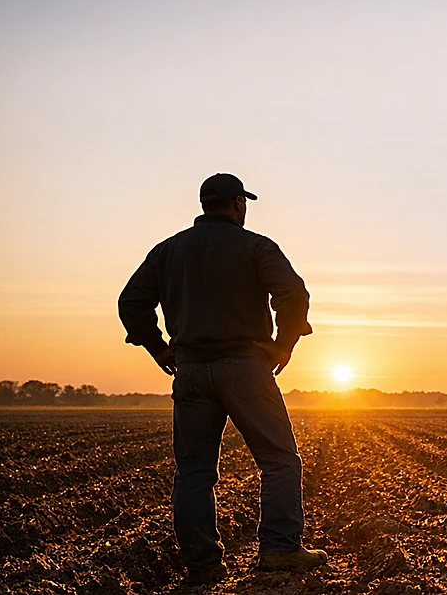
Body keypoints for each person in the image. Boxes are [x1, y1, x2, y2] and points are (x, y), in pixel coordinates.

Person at [118, 173, 325, 585]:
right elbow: (294, 295)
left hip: (190, 371)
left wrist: (159, 348)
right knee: (279, 460)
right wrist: (284, 345)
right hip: (245, 366)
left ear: (203, 205)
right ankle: (280, 549)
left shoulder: (168, 250)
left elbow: (131, 301)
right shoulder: (256, 247)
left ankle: (202, 563)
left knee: (194, 471)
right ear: (237, 205)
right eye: (242, 203)